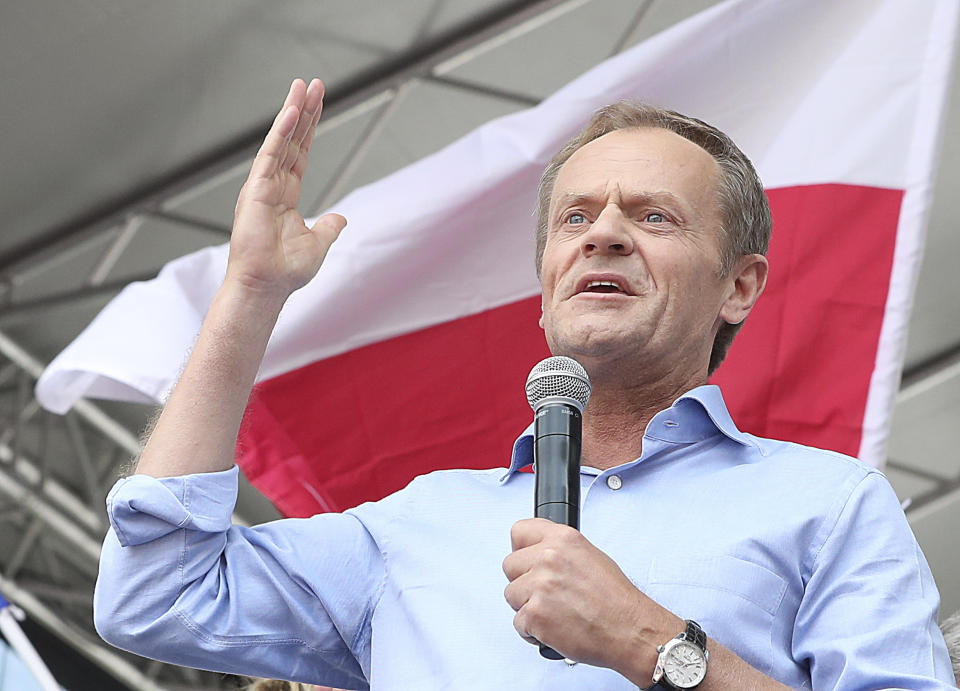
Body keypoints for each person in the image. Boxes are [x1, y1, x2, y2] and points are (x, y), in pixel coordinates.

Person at [93, 78, 954, 690]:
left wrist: (653, 644)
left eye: (653, 216)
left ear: (740, 284)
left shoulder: (830, 504)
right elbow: (153, 591)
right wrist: (251, 290)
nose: (603, 234)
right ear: (545, 279)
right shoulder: (409, 526)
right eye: (575, 217)